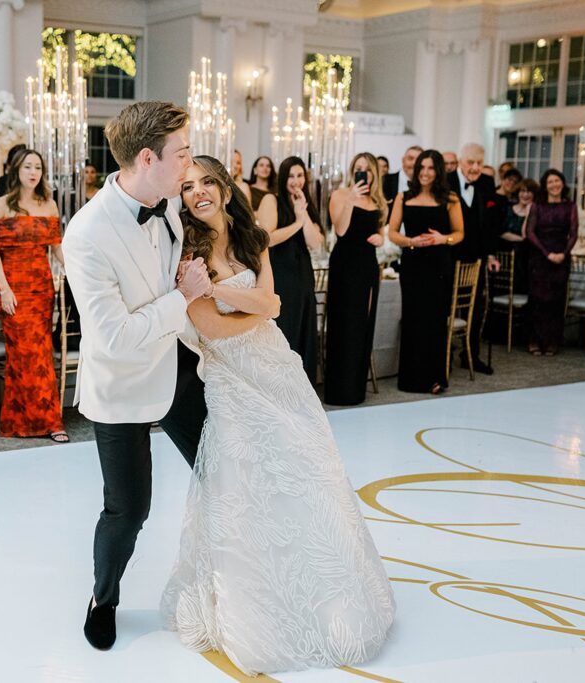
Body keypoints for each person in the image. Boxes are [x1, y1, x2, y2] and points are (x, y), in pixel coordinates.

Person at [162, 156, 395, 675]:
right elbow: (215, 333)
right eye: (186, 187)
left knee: (310, 473)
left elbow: (274, 304)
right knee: (247, 486)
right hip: (229, 377)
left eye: (205, 182)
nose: (197, 193)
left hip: (278, 370)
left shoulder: (252, 237)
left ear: (224, 187)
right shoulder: (183, 254)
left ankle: (328, 597)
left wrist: (217, 290)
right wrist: (235, 301)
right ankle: (254, 606)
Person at [62, 101, 212, 652]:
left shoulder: (167, 203)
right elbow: (115, 337)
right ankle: (104, 598)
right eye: (183, 153)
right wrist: (183, 296)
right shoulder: (85, 235)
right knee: (129, 509)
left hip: (175, 369)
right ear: (148, 158)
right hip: (121, 386)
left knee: (223, 469)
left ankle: (230, 583)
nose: (189, 163)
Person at [0, 150, 68, 442]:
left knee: (42, 353)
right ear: (16, 171)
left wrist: (76, 269)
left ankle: (51, 421)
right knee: (21, 356)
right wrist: (5, 288)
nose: (33, 172)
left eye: (38, 167)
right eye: (28, 167)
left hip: (41, 286)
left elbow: (57, 247)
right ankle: (21, 422)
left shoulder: (49, 204)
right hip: (12, 287)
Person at [388, 150, 464, 394]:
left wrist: (444, 238)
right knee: (412, 319)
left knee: (434, 321)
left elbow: (460, 233)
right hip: (412, 264)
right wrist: (411, 241)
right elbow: (392, 233)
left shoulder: (450, 198)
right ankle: (410, 378)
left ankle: (434, 377)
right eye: (422, 167)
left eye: (431, 168)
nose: (425, 172)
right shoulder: (403, 197)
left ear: (438, 171)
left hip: (439, 266)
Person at [324, 152, 386, 405]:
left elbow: (381, 232)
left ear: (374, 174)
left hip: (368, 265)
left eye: (367, 169)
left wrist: (381, 239)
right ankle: (339, 390)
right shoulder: (340, 195)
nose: (363, 173)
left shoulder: (379, 202)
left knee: (363, 324)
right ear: (352, 171)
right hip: (344, 265)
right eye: (358, 168)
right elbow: (340, 229)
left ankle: (357, 388)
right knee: (343, 324)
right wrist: (351, 198)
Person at [447, 142, 499, 374]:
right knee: (447, 307)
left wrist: (490, 255)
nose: (475, 168)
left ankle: (470, 355)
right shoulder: (446, 182)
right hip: (449, 257)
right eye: (471, 163)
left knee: (476, 309)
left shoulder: (487, 183)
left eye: (479, 163)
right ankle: (444, 356)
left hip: (476, 260)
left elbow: (489, 226)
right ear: (460, 162)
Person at [270, 155, 323, 381]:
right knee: (285, 329)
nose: (295, 180)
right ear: (283, 177)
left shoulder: (307, 204)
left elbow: (315, 243)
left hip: (303, 274)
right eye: (291, 175)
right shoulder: (271, 200)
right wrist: (296, 223)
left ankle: (304, 388)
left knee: (304, 329)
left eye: (300, 175)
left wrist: (304, 214)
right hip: (280, 273)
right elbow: (268, 239)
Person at [525, 169, 578, 356]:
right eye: (550, 182)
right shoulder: (537, 206)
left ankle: (552, 341)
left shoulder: (570, 206)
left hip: (561, 257)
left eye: (557, 181)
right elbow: (530, 232)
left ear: (562, 184)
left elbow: (573, 233)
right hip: (540, 256)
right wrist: (547, 253)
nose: (554, 185)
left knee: (556, 300)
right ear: (545, 186)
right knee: (538, 300)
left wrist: (563, 253)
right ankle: (534, 340)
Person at [498, 178, 537, 295]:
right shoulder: (508, 208)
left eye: (529, 192)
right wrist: (520, 239)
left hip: (525, 258)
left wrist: (529, 213)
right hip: (506, 257)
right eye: (522, 191)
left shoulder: (535, 212)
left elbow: (526, 234)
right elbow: (501, 232)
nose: (525, 195)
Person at [383, 145, 423, 217]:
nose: (414, 163)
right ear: (403, 160)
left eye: (418, 160)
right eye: (410, 159)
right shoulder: (385, 180)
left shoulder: (428, 185)